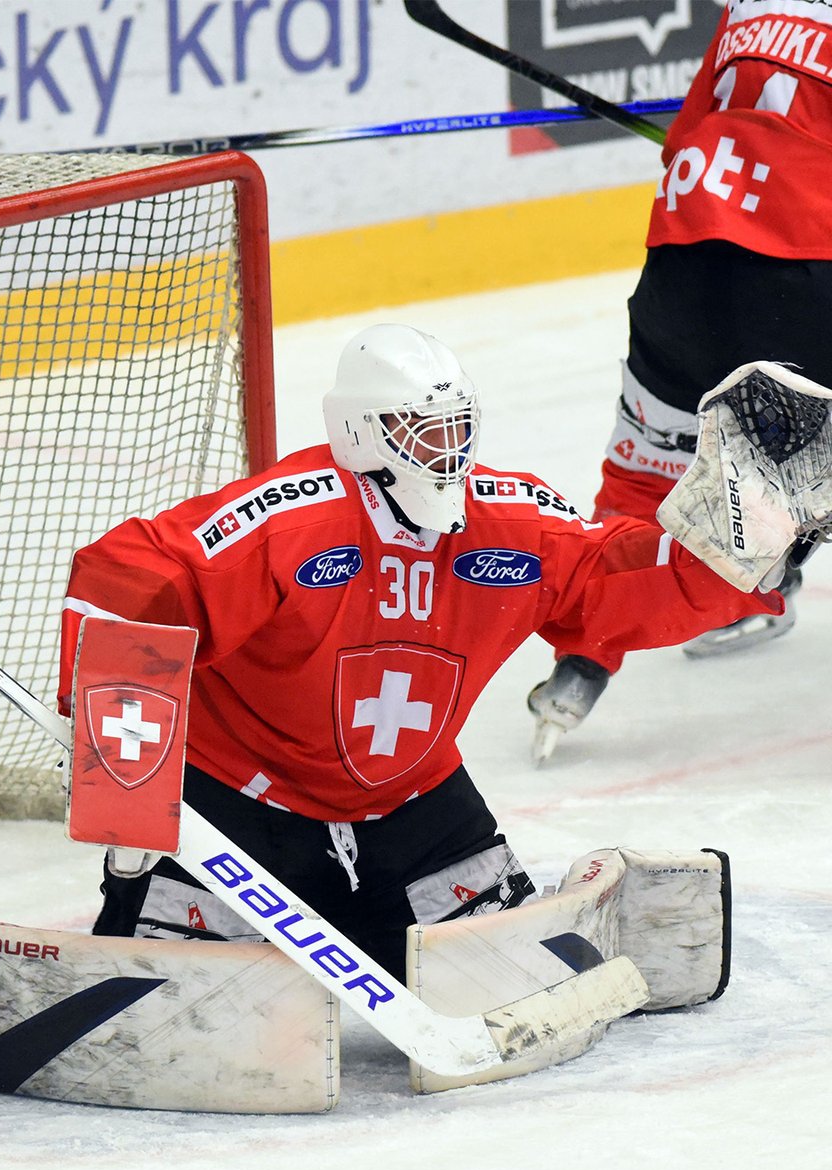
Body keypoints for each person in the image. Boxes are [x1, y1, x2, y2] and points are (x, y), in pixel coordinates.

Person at [57, 323, 780, 983]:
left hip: (415, 808)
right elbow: (132, 575)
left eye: (454, 426)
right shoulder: (290, 521)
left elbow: (618, 580)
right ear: (360, 431)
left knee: (515, 981)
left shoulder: (509, 523)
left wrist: (743, 544)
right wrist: (121, 758)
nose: (444, 448)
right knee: (181, 1002)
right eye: (418, 428)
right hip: (242, 810)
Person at [528, 0, 832, 761]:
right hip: (800, 279)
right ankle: (766, 567)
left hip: (682, 264)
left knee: (641, 478)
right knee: (792, 479)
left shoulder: (748, 3)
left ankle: (584, 654)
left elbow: (690, 138)